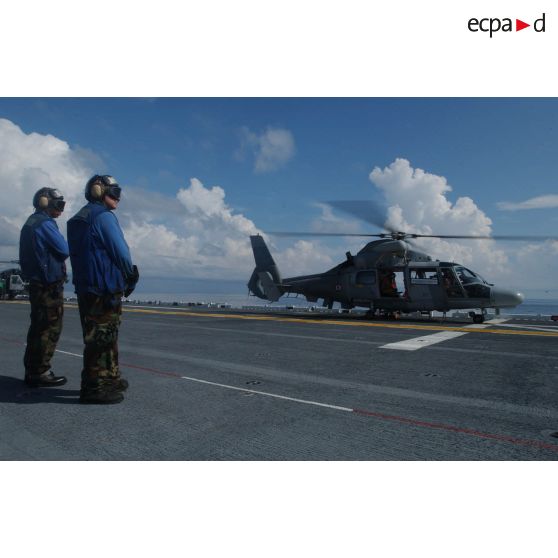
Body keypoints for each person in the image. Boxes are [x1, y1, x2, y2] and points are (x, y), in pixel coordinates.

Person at [67, 175, 139, 404]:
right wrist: (130, 275)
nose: (117, 197)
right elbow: (121, 252)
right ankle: (94, 388)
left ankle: (110, 378)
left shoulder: (79, 218)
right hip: (104, 287)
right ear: (98, 191)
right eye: (113, 191)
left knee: (102, 337)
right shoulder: (104, 217)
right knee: (101, 340)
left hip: (87, 286)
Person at [19, 187, 69, 387]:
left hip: (37, 283)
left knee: (38, 328)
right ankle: (40, 371)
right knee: (49, 328)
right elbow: (64, 249)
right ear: (44, 202)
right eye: (58, 204)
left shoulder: (30, 222)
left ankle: (33, 370)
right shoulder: (46, 224)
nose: (60, 209)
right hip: (48, 285)